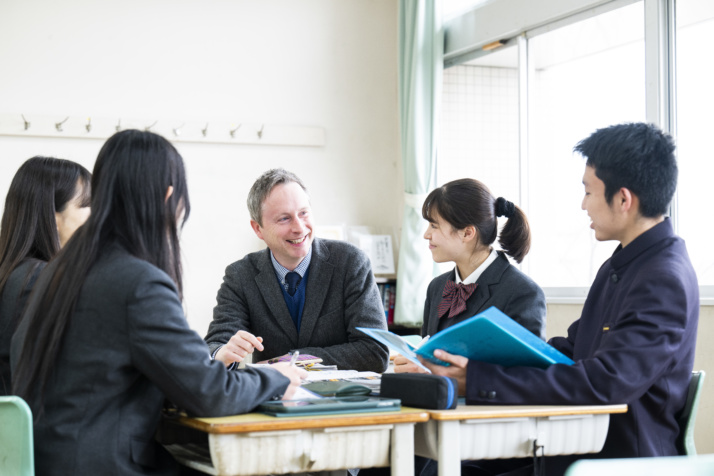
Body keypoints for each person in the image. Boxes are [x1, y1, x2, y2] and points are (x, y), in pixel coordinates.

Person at [11, 130, 305, 476]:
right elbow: (210, 392)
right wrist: (276, 376)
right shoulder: (137, 281)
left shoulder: (61, 268)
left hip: (49, 462)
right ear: (168, 197)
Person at [420, 123, 698, 476]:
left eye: (589, 192)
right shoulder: (622, 265)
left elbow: (605, 383)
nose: (583, 205)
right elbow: (570, 349)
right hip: (577, 445)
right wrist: (479, 358)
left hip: (618, 459)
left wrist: (479, 379)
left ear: (624, 199)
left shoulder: (662, 278)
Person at [204, 168, 389, 372]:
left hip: (342, 397)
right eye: (284, 218)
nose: (300, 228)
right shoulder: (240, 275)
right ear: (258, 229)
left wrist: (293, 360)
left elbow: (375, 352)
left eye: (304, 213)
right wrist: (222, 354)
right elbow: (215, 346)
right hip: (277, 398)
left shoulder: (350, 262)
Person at [395, 178, 546, 376]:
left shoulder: (523, 293)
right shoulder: (437, 287)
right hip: (437, 401)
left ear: (467, 233)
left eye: (434, 225)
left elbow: (529, 374)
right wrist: (417, 364)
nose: (426, 234)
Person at [0, 156, 91, 395]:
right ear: (53, 217)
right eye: (87, 205)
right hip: (30, 429)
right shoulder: (40, 279)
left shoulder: (14, 273)